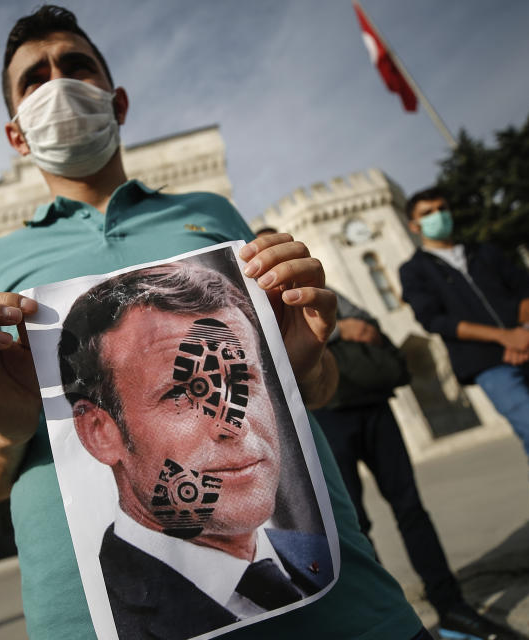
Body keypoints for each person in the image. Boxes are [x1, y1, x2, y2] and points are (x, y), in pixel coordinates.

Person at [0, 5, 431, 638]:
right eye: (35, 78)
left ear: (117, 101)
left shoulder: (211, 214)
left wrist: (305, 358)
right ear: (16, 134)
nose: (58, 83)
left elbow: (312, 389)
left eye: (76, 65)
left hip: (339, 605)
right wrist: (4, 433)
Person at [59, 261, 333, 637]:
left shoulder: (314, 552)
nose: (232, 422)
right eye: (181, 393)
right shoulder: (103, 616)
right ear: (100, 432)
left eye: (243, 380)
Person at [399, 186, 529, 612]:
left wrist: (524, 328)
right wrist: (503, 337)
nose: (439, 217)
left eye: (443, 209)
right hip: (492, 365)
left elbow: (528, 288)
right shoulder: (415, 270)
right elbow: (435, 319)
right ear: (413, 225)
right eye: (428, 213)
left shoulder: (484, 252)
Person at [312, 289, 519, 638]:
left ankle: (452, 608)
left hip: (373, 402)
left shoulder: (327, 290)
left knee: (411, 508)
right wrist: (338, 330)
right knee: (354, 524)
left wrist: (343, 328)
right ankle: (383, 622)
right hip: (327, 416)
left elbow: (367, 323)